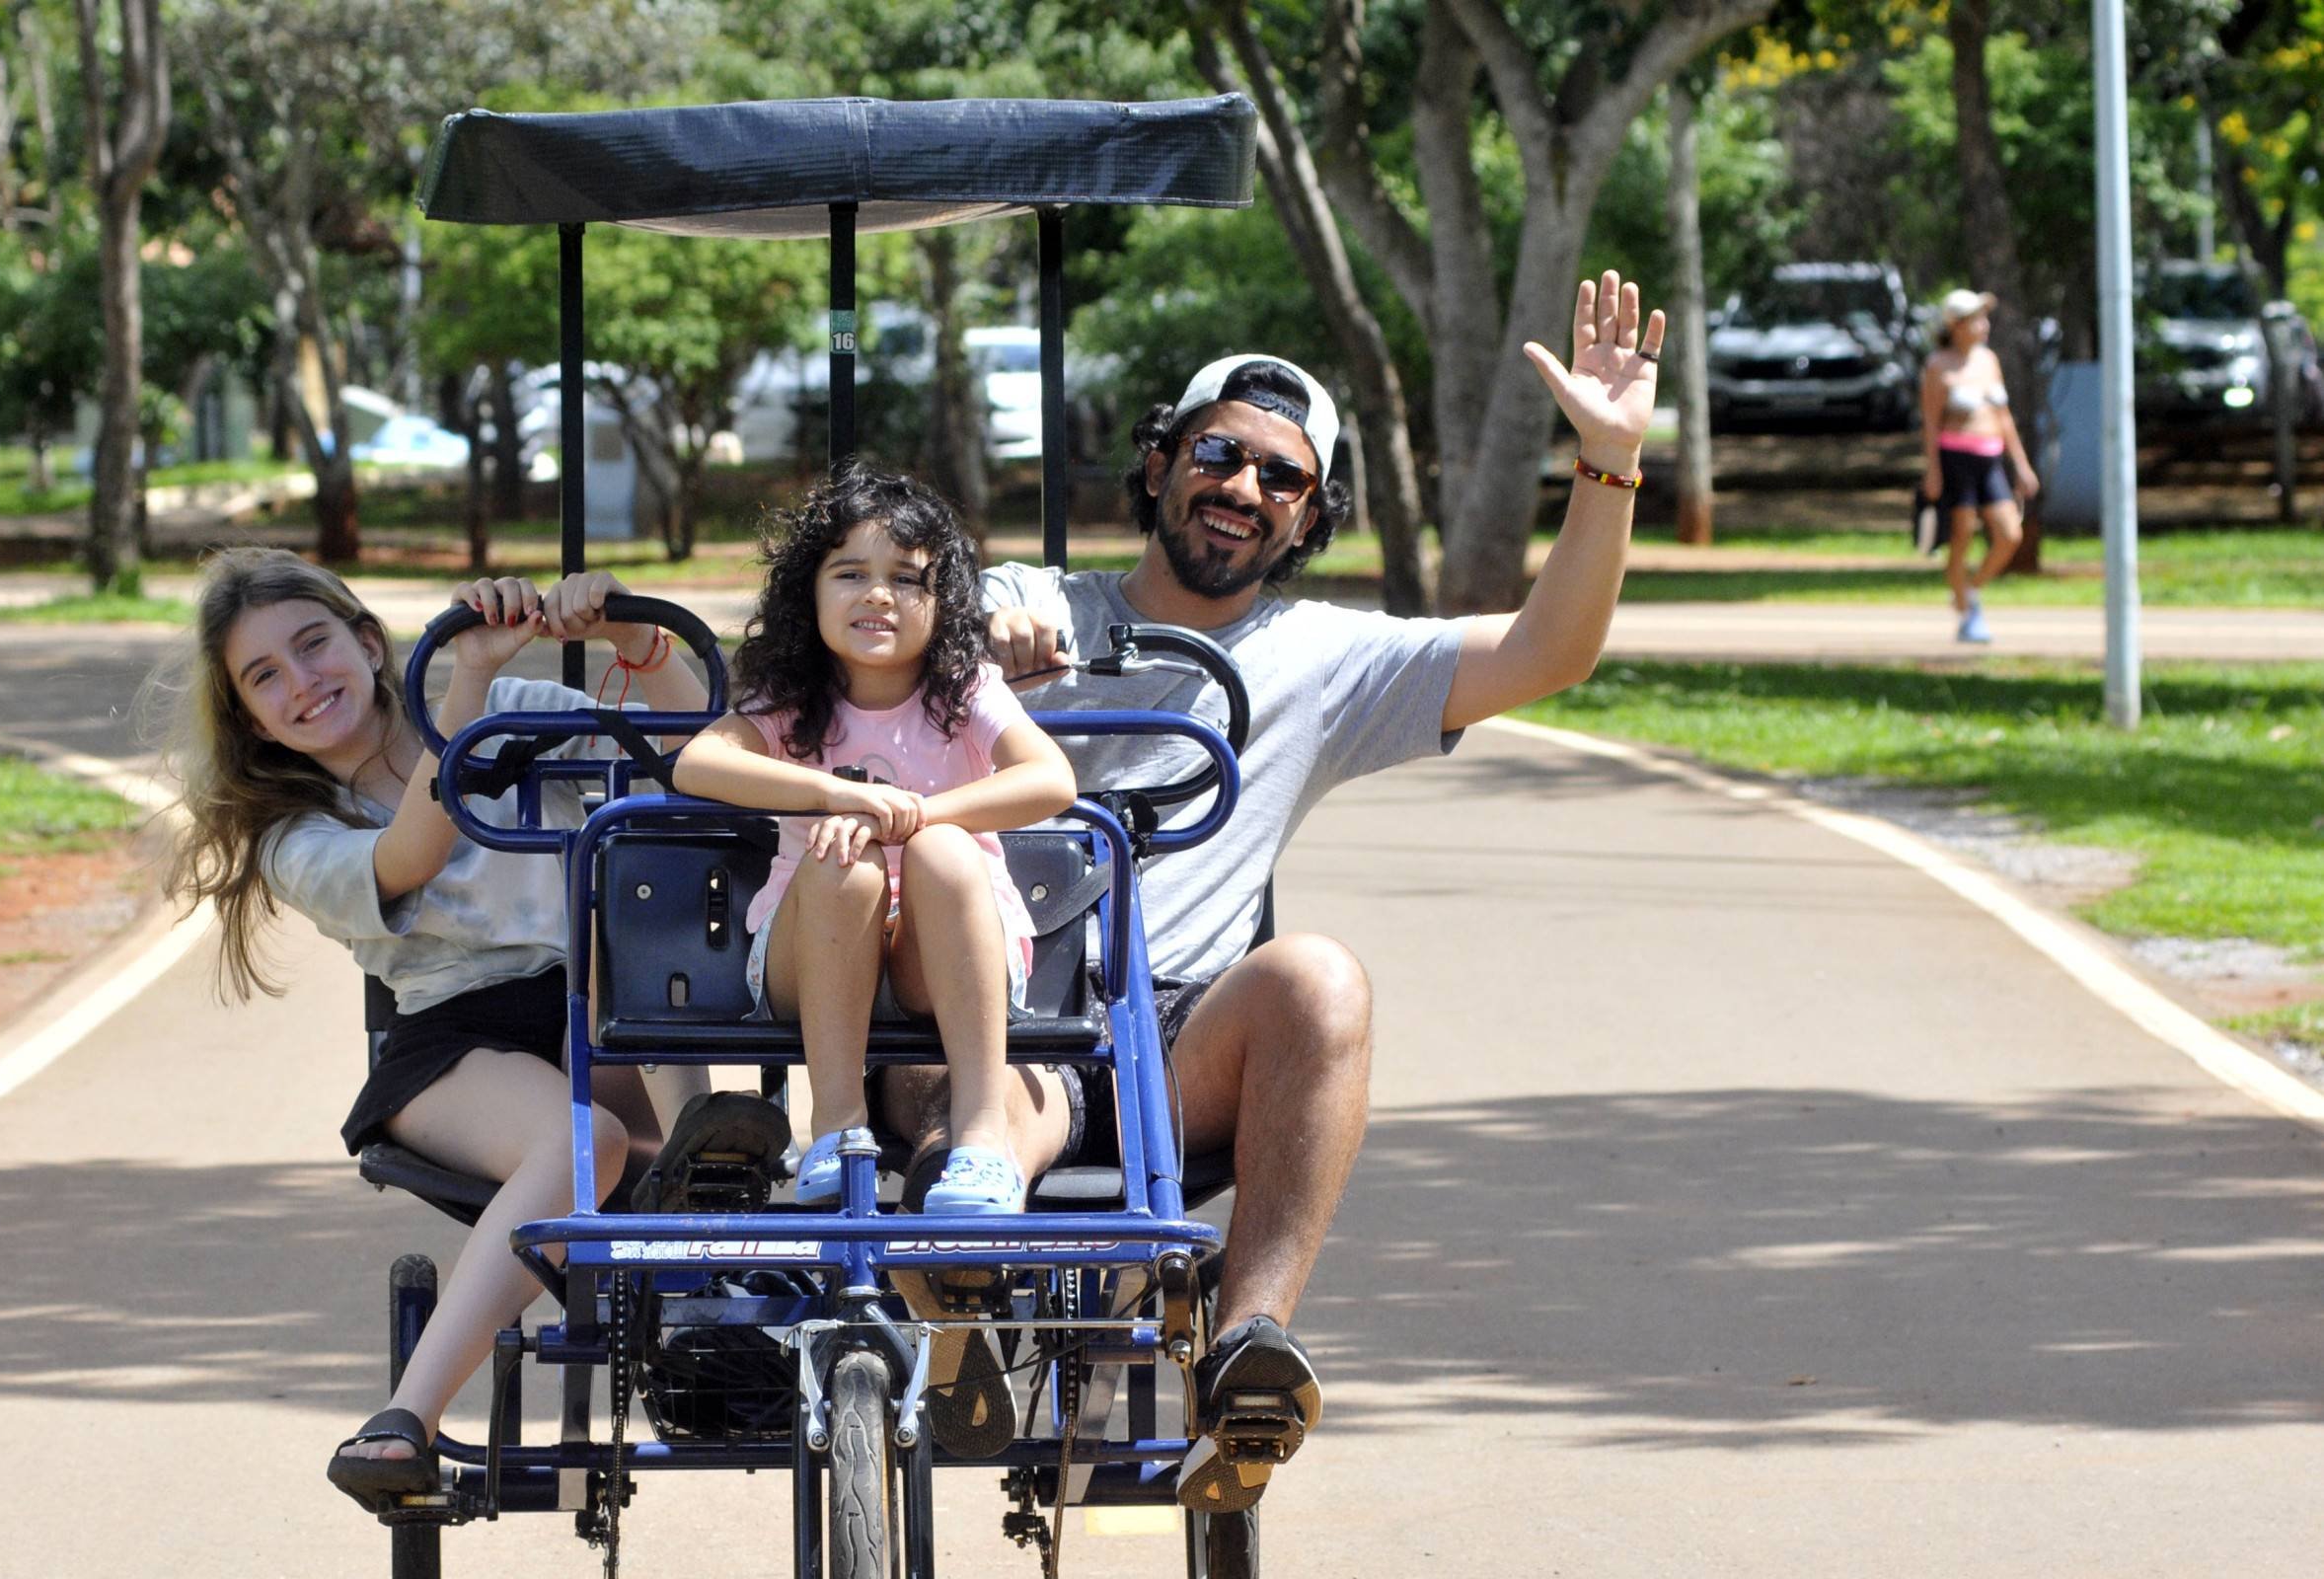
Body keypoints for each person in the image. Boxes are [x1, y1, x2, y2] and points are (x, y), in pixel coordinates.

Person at [892, 271, 1666, 1512]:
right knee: (959, 995)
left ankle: (1248, 1349)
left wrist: (1609, 464)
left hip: (1171, 1046)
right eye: (1217, 453)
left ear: (1306, 520)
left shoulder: (1323, 655)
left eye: (1280, 479)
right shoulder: (1035, 604)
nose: (1242, 488)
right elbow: (902, 628)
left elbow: (1546, 653)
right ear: (1157, 467)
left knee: (1320, 976)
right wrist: (977, 645)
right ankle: (962, 1265)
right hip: (974, 1020)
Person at [147, 546, 731, 1513]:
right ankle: (405, 1416)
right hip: (460, 1039)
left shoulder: (520, 719)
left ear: (366, 643)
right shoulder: (293, 832)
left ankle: (718, 1210)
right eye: (265, 677)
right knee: (584, 1142)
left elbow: (692, 758)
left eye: (314, 645)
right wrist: (470, 674)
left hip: (602, 999)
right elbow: (418, 846)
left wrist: (634, 637)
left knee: (633, 900)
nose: (303, 682)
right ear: (248, 716)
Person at [671, 464, 1078, 1456]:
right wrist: (839, 800)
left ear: (946, 603)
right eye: (848, 574)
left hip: (947, 947)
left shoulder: (964, 694)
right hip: (814, 947)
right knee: (844, 862)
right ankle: (836, 1120)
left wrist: (923, 812)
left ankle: (982, 1129)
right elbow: (696, 764)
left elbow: (1051, 778)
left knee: (935, 848)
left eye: (907, 577)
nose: (877, 597)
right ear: (809, 595)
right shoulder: (786, 697)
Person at [1919, 286, 2039, 645]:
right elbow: (1930, 421)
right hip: (1956, 459)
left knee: (2009, 534)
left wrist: (2020, 464)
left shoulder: (1989, 361)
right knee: (1963, 535)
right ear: (1956, 325)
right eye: (1976, 319)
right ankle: (1969, 612)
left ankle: (1969, 591)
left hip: (1990, 458)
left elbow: (2003, 416)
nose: (1984, 325)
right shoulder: (1938, 365)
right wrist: (1934, 471)